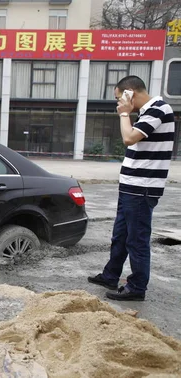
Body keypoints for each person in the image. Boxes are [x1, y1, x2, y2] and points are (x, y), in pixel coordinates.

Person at [88, 75, 175, 301]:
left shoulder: (159, 109)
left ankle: (137, 288)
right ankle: (111, 275)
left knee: (136, 239)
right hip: (131, 187)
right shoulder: (148, 112)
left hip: (141, 188)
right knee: (121, 236)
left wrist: (124, 113)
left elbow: (129, 138)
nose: (118, 104)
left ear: (130, 93)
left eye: (119, 98)